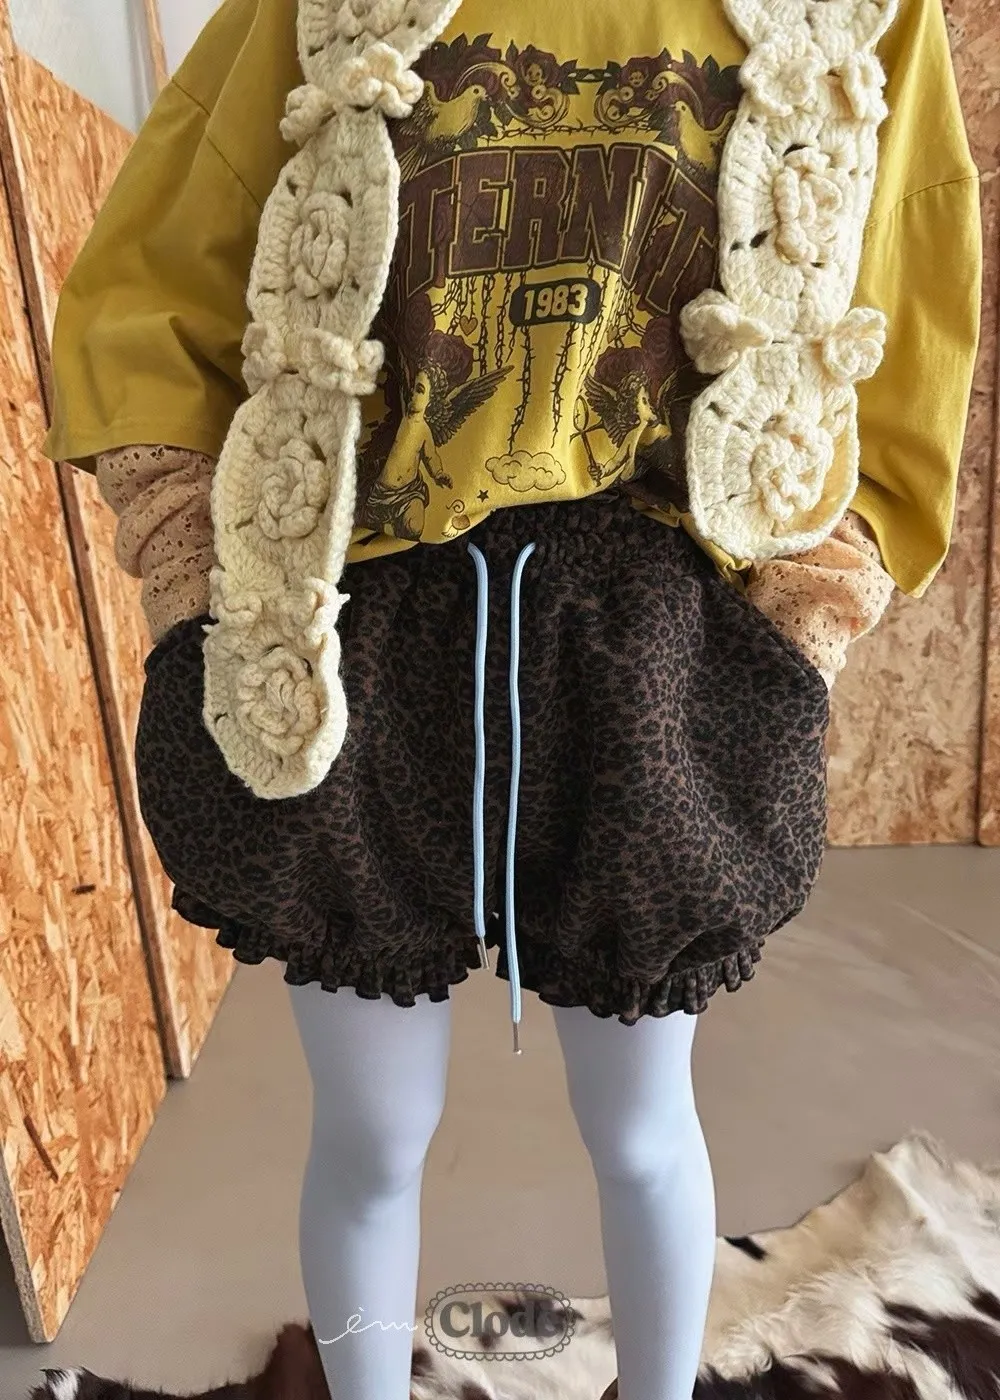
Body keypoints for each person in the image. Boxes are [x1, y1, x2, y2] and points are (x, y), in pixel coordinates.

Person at [42, 1, 981, 1397]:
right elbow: (154, 286)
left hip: (653, 648)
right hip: (359, 632)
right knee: (371, 1136)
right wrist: (195, 573)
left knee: (645, 1129)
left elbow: (903, 306)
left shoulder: (846, 12)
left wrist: (805, 615)